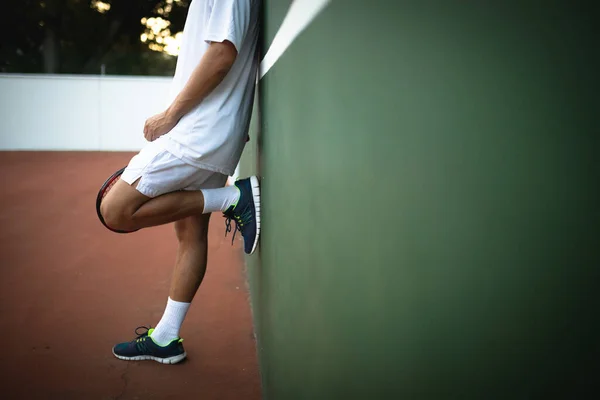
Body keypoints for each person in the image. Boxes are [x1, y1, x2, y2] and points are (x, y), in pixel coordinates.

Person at [99, 0, 261, 365]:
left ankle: (232, 199)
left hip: (195, 135)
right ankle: (167, 337)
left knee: (115, 211)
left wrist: (171, 115)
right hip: (214, 132)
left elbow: (223, 54)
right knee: (190, 236)